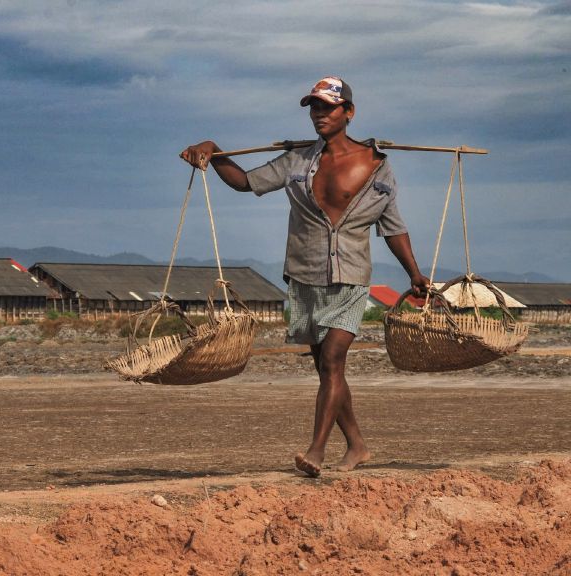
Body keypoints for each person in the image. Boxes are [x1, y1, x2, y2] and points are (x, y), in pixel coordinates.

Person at [180, 76, 429, 477]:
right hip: (303, 275)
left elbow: (393, 227)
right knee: (326, 367)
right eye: (314, 107)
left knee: (332, 359)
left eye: (328, 107)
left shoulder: (377, 165)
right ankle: (358, 446)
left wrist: (415, 275)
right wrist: (215, 152)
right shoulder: (296, 160)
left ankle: (316, 451)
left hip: (349, 277)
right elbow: (246, 183)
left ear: (348, 112)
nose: (319, 115)